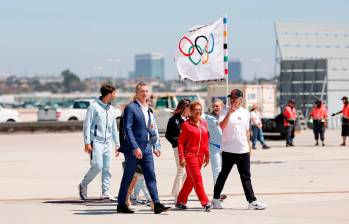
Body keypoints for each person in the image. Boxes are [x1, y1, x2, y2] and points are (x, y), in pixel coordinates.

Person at [116, 82, 170, 214]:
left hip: (147, 148)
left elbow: (151, 129)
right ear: (136, 93)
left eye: (146, 91)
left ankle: (156, 204)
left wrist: (155, 145)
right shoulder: (131, 108)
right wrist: (135, 147)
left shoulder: (148, 109)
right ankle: (121, 204)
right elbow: (127, 129)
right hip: (133, 149)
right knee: (128, 177)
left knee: (151, 176)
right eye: (142, 91)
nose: (144, 93)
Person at [211, 89, 267, 210]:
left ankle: (252, 202)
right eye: (231, 98)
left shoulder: (246, 112)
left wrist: (249, 147)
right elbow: (222, 126)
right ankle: (215, 200)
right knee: (223, 175)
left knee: (246, 177)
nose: (232, 100)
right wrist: (229, 113)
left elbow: (247, 131)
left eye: (235, 98)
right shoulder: (224, 111)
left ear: (241, 100)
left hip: (243, 150)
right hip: (228, 150)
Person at [78, 83, 120, 201]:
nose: (115, 96)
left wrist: (117, 144)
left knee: (107, 168)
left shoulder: (111, 109)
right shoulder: (94, 107)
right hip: (95, 141)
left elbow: (113, 128)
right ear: (108, 94)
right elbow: (87, 125)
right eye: (114, 93)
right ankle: (83, 185)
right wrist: (87, 142)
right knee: (97, 166)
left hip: (108, 143)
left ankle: (105, 192)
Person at [176, 101, 212, 211]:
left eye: (200, 109)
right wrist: (181, 157)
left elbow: (205, 141)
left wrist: (207, 155)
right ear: (190, 111)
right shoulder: (186, 125)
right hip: (190, 156)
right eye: (195, 109)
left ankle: (180, 201)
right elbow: (180, 142)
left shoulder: (204, 124)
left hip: (200, 156)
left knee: (190, 180)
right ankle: (205, 202)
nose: (198, 111)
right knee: (197, 178)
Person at [165, 99, 191, 202]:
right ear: (185, 107)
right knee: (181, 170)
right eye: (190, 107)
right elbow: (168, 135)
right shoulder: (174, 119)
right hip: (178, 148)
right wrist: (177, 143)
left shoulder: (189, 119)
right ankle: (177, 195)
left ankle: (179, 192)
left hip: (189, 148)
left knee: (187, 172)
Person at [204, 98, 227, 201]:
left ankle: (219, 190)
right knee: (216, 169)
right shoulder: (209, 118)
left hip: (226, 147)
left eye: (218, 105)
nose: (216, 107)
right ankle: (219, 192)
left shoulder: (227, 118)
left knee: (223, 171)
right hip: (214, 147)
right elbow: (197, 115)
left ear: (222, 106)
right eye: (214, 106)